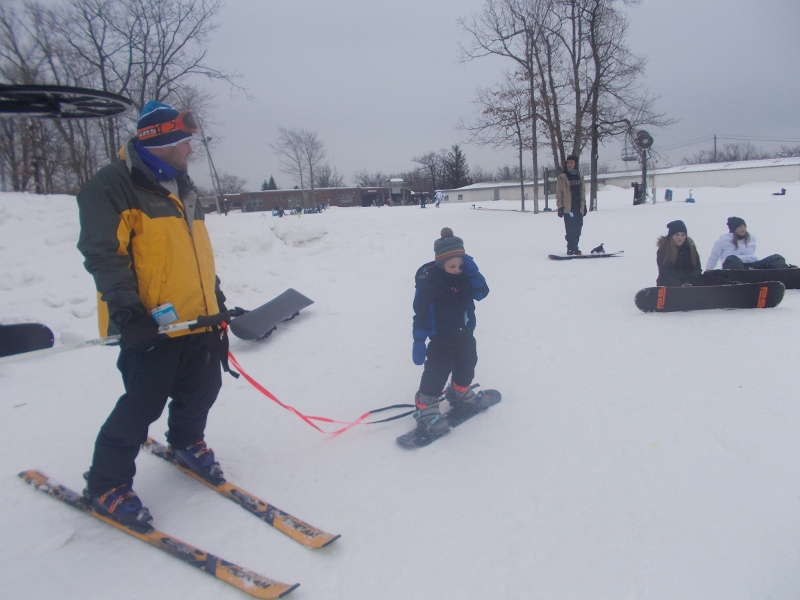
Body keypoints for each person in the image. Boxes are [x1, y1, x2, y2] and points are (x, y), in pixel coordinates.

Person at [76, 100, 232, 530]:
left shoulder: (184, 186)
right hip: (150, 326)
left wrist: (215, 301)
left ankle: (186, 442)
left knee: (203, 386)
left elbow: (197, 254)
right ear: (163, 142)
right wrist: (128, 313)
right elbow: (104, 254)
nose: (191, 151)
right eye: (186, 143)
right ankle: (106, 484)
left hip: (196, 318)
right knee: (142, 402)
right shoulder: (113, 185)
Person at [411, 228, 491, 436]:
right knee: (436, 371)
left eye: (461, 265)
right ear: (440, 263)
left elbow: (482, 293)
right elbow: (420, 313)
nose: (458, 269)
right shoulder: (429, 283)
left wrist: (473, 273)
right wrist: (419, 338)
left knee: (467, 361)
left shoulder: (466, 276)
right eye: (452, 266)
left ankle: (460, 391)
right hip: (441, 337)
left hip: (464, 333)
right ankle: (425, 407)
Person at [705, 217, 788, 270]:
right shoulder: (722, 241)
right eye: (740, 226)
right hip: (733, 267)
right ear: (733, 229)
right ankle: (746, 272)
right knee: (731, 259)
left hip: (752, 266)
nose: (743, 228)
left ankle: (785, 273)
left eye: (744, 226)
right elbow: (713, 257)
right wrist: (708, 271)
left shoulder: (751, 238)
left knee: (777, 258)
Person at [656, 220, 706, 286]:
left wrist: (690, 277)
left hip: (690, 279)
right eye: (677, 235)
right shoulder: (664, 249)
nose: (680, 237)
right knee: (668, 279)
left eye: (683, 235)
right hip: (671, 280)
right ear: (671, 236)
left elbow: (697, 268)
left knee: (711, 276)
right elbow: (665, 271)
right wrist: (683, 277)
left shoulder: (690, 247)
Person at [556, 154, 587, 255]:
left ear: (575, 164)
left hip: (578, 207)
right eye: (568, 163)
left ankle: (575, 247)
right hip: (568, 209)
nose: (569, 164)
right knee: (571, 229)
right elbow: (559, 193)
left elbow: (582, 193)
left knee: (578, 228)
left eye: (571, 162)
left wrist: (584, 206)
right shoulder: (563, 177)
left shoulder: (580, 176)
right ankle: (571, 248)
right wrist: (560, 207)